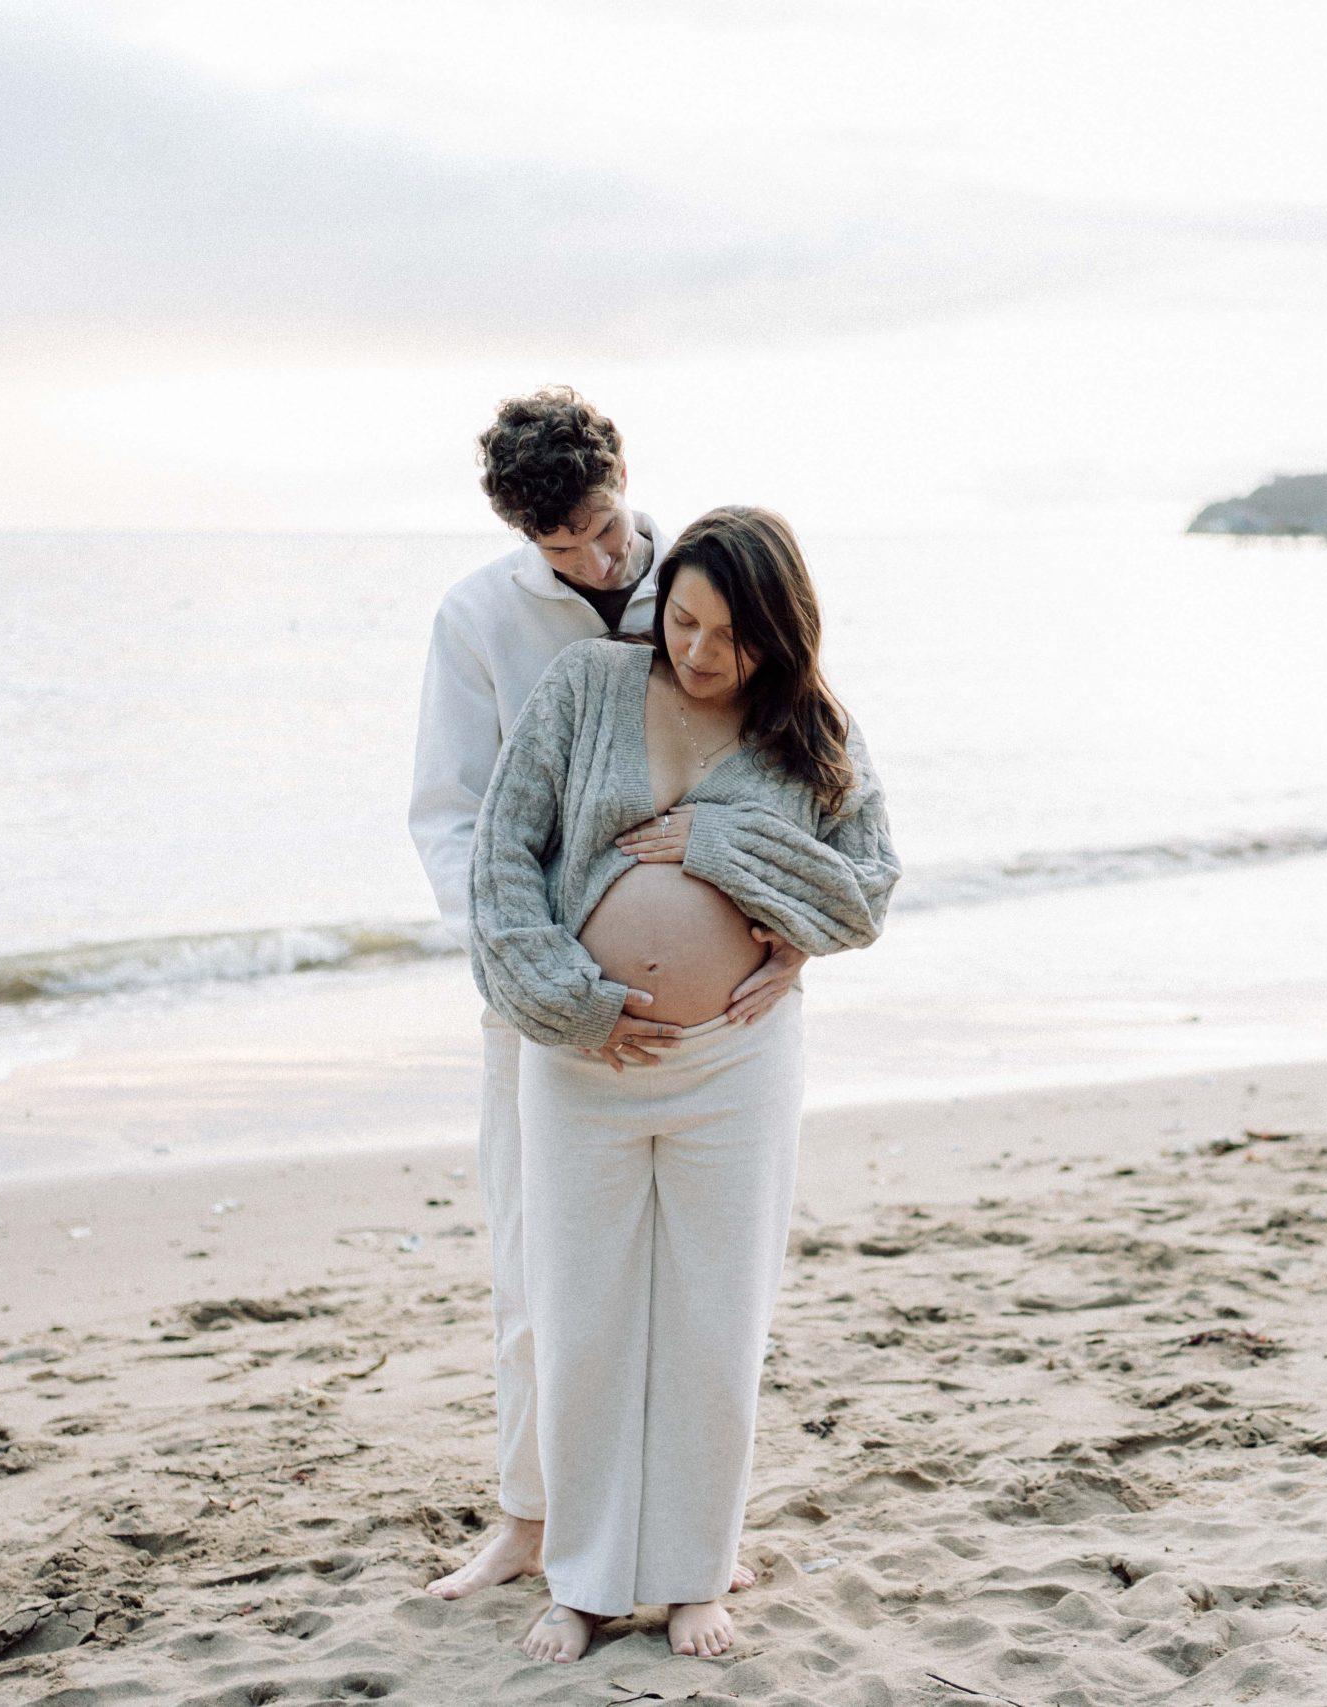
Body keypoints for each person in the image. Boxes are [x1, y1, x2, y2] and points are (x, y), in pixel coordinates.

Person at [467, 505, 899, 1661]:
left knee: (715, 1323)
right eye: (684, 621)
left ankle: (696, 1575)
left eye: (732, 636)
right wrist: (571, 1000)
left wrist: (724, 851)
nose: (700, 652)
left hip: (733, 1065)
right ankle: (584, 1582)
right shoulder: (585, 687)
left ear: (781, 635)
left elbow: (866, 890)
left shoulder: (813, 734)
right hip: (584, 1064)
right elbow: (502, 857)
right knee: (583, 1323)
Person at [411, 389, 802, 1602]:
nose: (589, 559)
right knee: (542, 1274)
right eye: (558, 546)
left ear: (622, 476)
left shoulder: (706, 584)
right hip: (542, 1008)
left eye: (598, 527)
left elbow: (803, 769)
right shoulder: (477, 618)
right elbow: (456, 819)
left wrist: (796, 933)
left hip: (725, 1029)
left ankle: (688, 1537)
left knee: (705, 1285)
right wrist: (541, 977)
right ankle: (531, 1521)